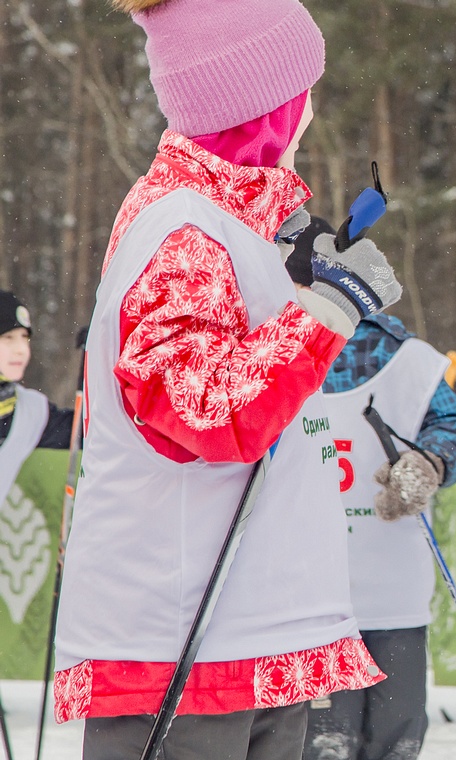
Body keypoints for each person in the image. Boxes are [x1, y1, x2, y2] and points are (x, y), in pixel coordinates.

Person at [51, 1, 403, 758]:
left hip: (240, 627)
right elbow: (204, 414)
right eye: (302, 93)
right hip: (181, 645)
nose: (310, 113)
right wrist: (326, 313)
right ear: (264, 109)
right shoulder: (184, 231)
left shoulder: (235, 222)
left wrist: (304, 278)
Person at [292, 218, 456, 760]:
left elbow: (454, 428)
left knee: (364, 744)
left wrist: (428, 462)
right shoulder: (277, 355)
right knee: (346, 743)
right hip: (309, 599)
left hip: (387, 591)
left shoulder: (405, 358)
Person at [0, 291, 74, 456]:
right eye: (8, 338)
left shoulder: (30, 411)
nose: (21, 349)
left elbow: (87, 431)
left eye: (24, 337)